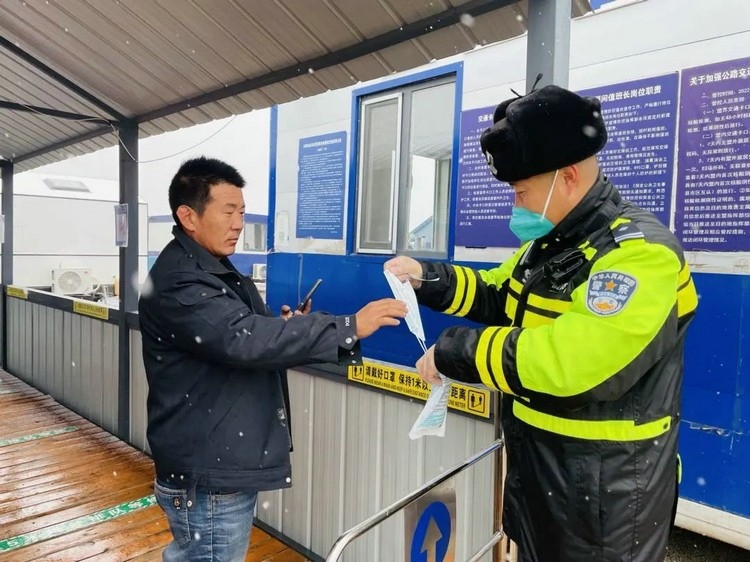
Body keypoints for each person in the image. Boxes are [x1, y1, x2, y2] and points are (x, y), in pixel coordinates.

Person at [385, 85, 698, 562]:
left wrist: (456, 353)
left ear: (567, 178)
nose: (517, 205)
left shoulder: (639, 255)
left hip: (604, 504)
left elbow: (573, 362)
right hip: (543, 482)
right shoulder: (550, 244)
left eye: (522, 192)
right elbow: (497, 293)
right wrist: (427, 278)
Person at [138, 156, 407, 562]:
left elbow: (242, 332)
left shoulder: (211, 268)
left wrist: (286, 326)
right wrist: (347, 327)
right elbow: (244, 339)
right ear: (188, 216)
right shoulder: (180, 279)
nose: (238, 223)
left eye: (242, 212)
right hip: (208, 474)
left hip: (214, 461)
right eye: (228, 211)